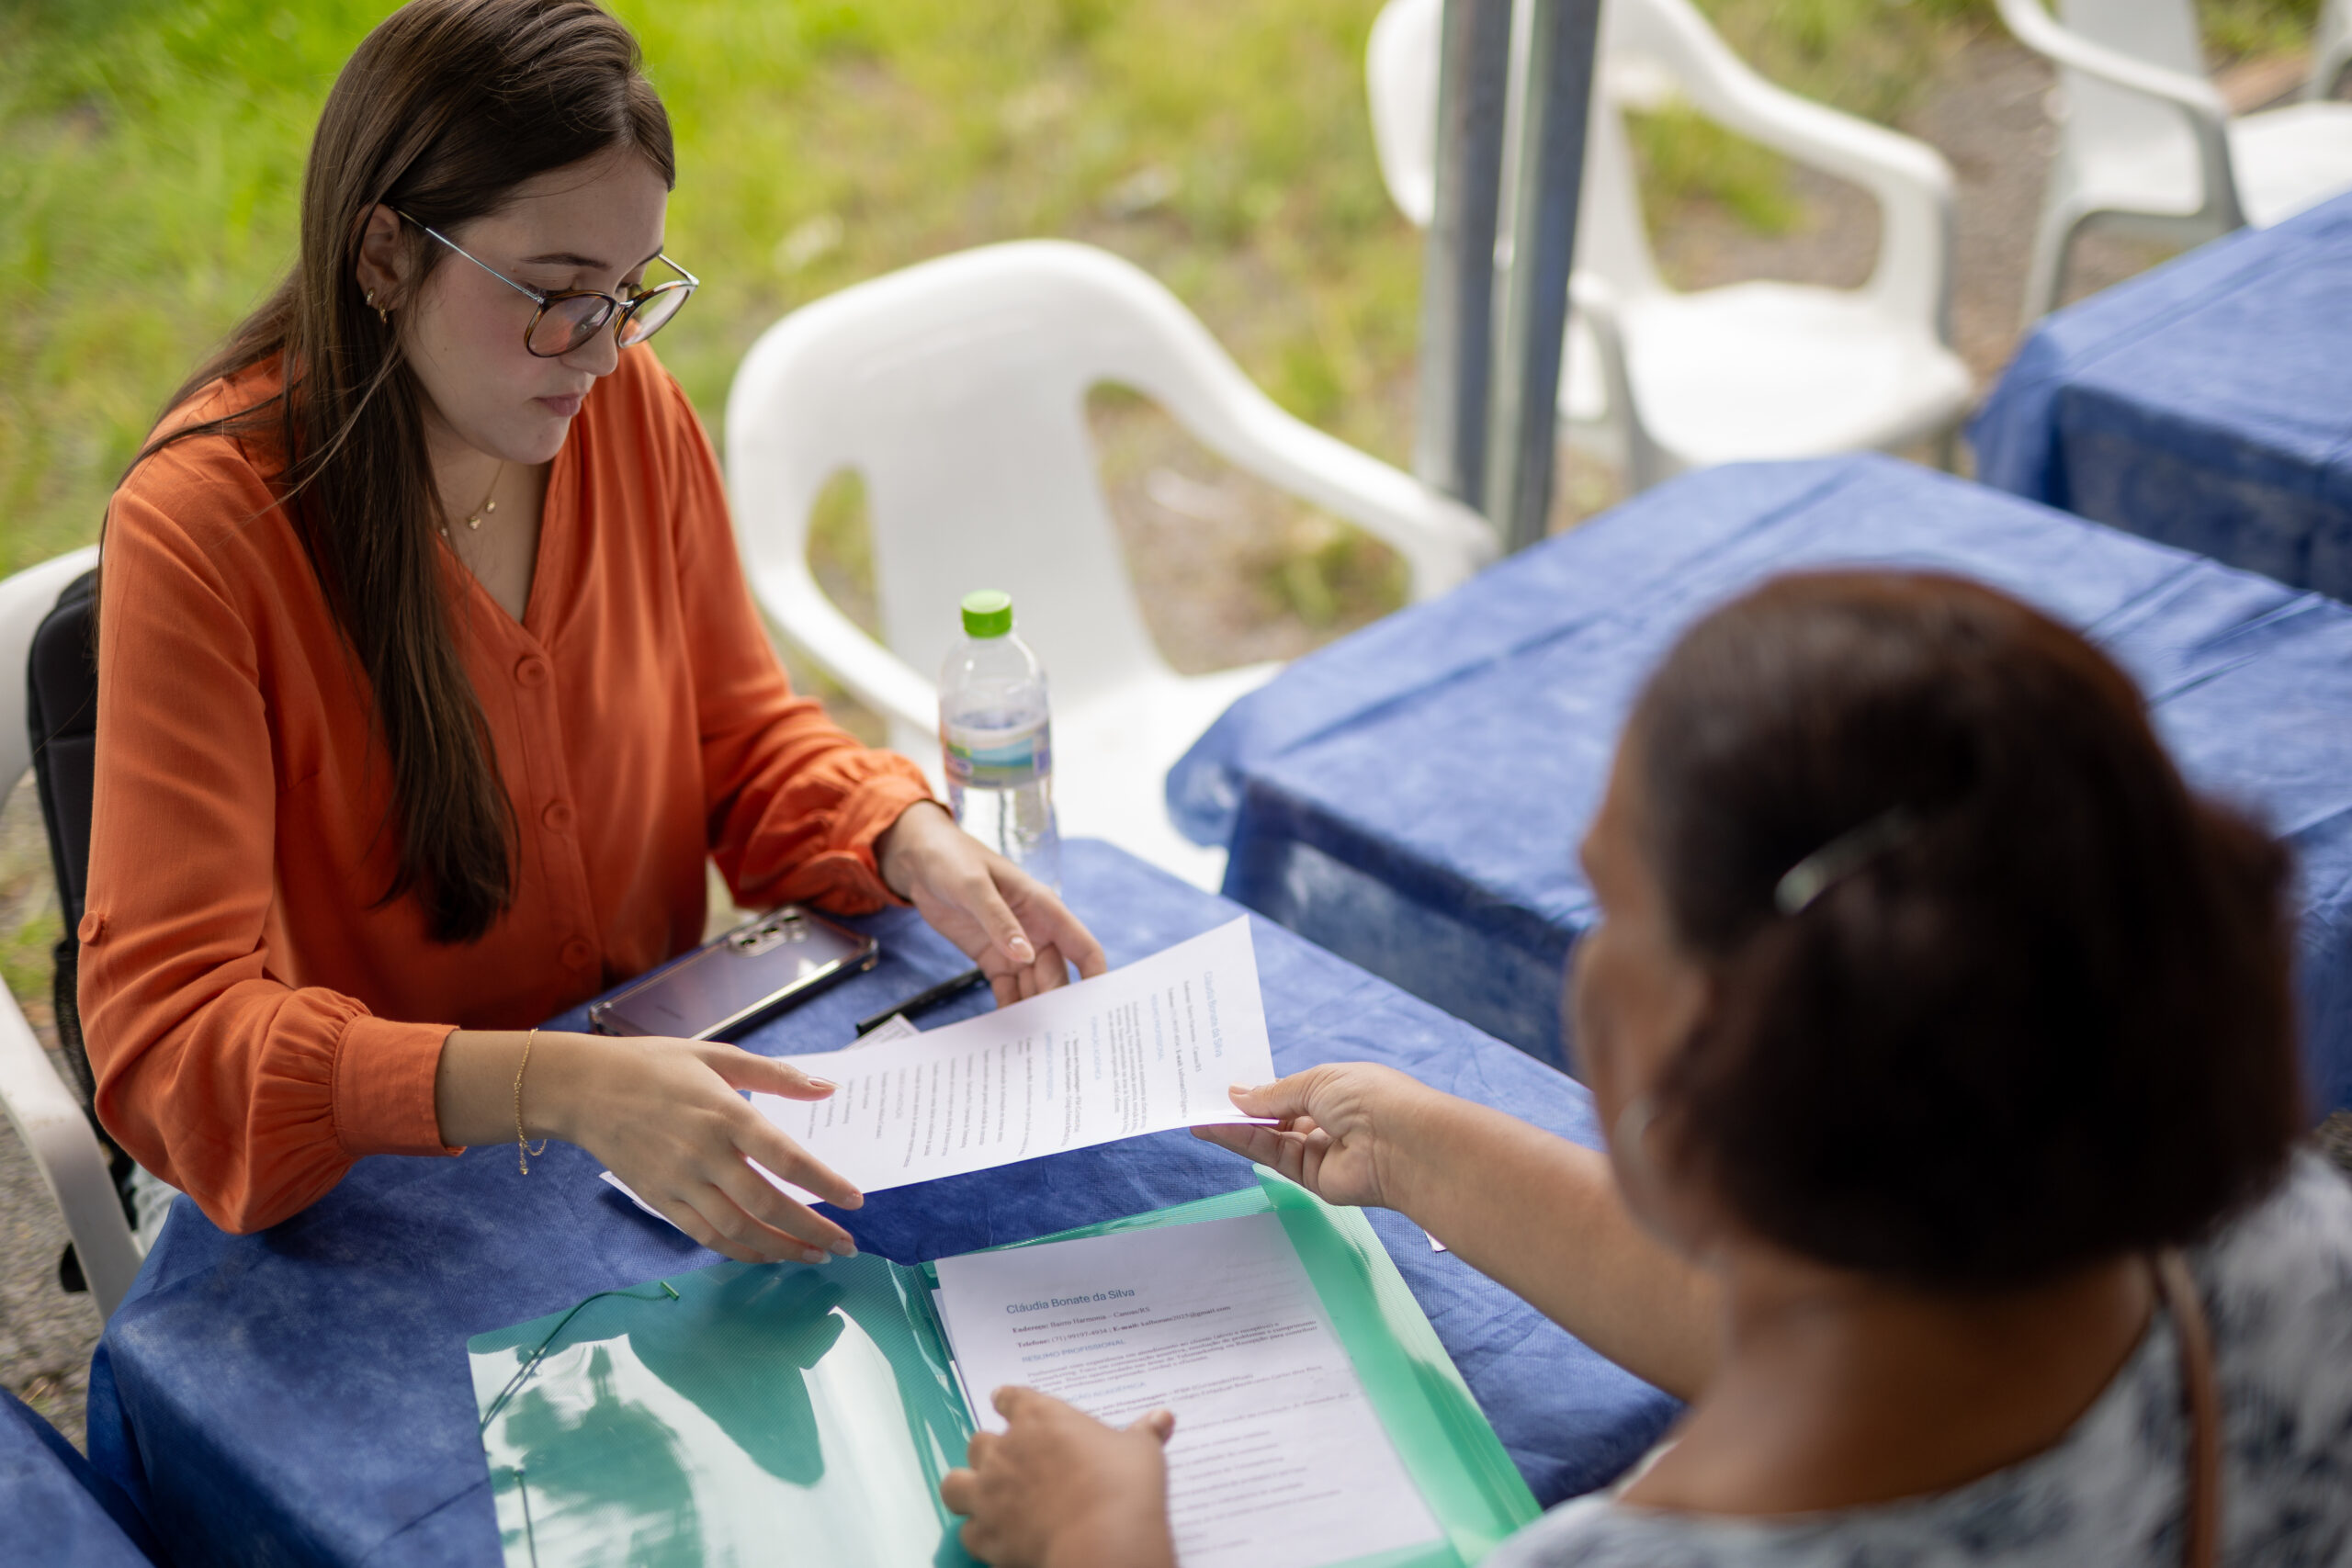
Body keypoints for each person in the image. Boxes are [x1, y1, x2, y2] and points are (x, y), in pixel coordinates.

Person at [941, 571, 2352, 1567]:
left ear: (1741, 1052)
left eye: (1613, 905)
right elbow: (1836, 1324)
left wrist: (1103, 1542)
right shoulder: (2284, 1251)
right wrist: (1418, 1144)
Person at [82, 0, 1103, 1260]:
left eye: (632, 294)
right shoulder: (208, 534)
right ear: (384, 256)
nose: (605, 352)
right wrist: (556, 1086)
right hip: (391, 1210)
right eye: (560, 295)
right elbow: (172, 1042)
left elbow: (737, 741)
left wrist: (902, 836)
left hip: (647, 1139)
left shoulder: (623, 413)